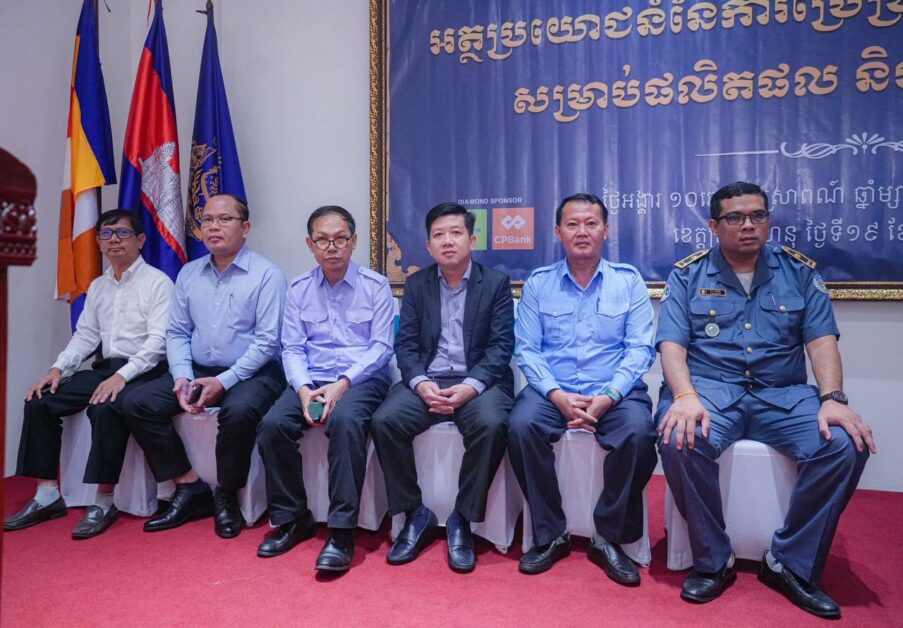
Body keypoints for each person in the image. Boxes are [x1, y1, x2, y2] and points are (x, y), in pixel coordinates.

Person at [656, 181, 875, 618]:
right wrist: (684, 395)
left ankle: (790, 562)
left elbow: (822, 341)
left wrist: (833, 398)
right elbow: (672, 345)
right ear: (714, 226)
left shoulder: (799, 272)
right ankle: (713, 560)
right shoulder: (687, 275)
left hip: (782, 396)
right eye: (735, 218)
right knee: (678, 437)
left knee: (845, 444)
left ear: (768, 220)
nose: (748, 225)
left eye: (757, 215)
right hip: (711, 394)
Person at [507, 193, 657, 584]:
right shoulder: (539, 284)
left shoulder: (628, 281)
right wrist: (556, 395)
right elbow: (528, 349)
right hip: (552, 391)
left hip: (615, 392)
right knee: (521, 426)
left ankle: (608, 536)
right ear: (558, 232)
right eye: (572, 224)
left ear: (606, 230)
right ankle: (550, 533)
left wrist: (608, 397)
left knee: (640, 434)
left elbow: (639, 349)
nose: (582, 231)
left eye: (591, 223)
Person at [122, 194, 287, 539]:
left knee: (238, 412)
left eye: (224, 219)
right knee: (137, 402)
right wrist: (182, 376)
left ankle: (226, 494)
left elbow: (267, 341)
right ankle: (189, 484)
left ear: (245, 228)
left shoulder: (267, 275)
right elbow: (177, 332)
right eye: (207, 219)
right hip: (198, 368)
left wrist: (224, 381)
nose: (213, 226)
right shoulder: (189, 273)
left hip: (253, 372)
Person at [4, 209, 173, 538]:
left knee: (105, 406)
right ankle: (47, 494)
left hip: (145, 370)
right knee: (40, 400)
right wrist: (57, 368)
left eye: (122, 233)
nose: (114, 240)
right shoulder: (98, 287)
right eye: (106, 234)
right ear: (98, 242)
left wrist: (123, 376)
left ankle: (104, 500)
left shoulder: (158, 283)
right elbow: (85, 337)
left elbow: (158, 343)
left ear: (140, 240)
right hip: (106, 367)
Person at [370, 202, 515, 573]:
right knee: (385, 420)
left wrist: (471, 386)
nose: (447, 241)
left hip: (479, 382)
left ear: (472, 239)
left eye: (455, 233)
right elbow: (406, 345)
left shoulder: (495, 283)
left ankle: (462, 518)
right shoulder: (417, 284)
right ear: (429, 245)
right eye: (438, 235)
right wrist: (420, 383)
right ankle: (414, 513)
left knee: (492, 424)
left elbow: (501, 347)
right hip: (428, 381)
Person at [256, 206, 394, 571]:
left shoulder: (375, 286)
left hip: (361, 379)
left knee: (346, 423)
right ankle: (292, 518)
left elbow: (381, 348)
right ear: (310, 244)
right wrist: (303, 389)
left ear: (353, 241)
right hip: (312, 378)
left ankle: (342, 530)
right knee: (272, 425)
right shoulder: (299, 288)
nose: (331, 247)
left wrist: (343, 384)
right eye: (322, 240)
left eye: (340, 239)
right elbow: (292, 348)